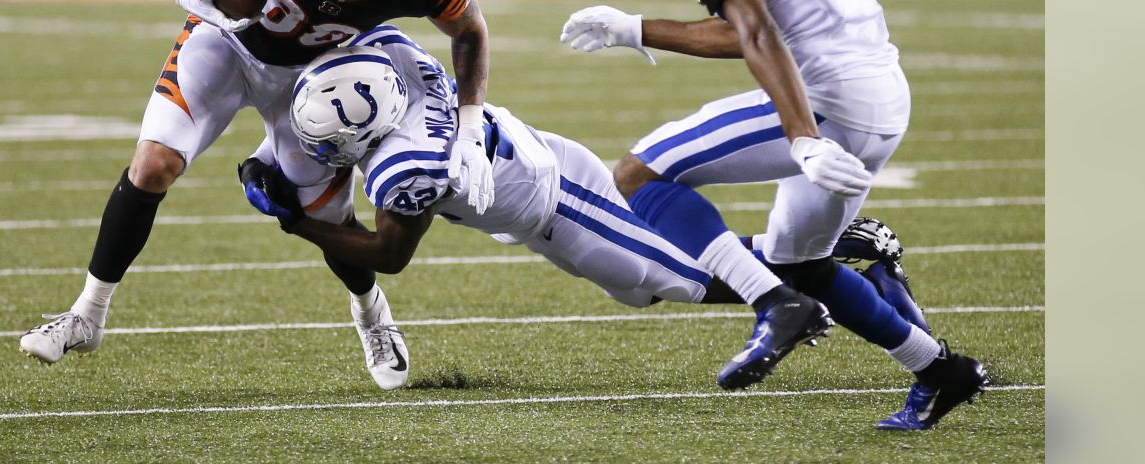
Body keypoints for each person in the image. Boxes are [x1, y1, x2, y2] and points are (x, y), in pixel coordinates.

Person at [559, 0, 986, 430]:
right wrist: (636, 27)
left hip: (830, 102)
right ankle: (941, 372)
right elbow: (764, 28)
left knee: (638, 172)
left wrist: (802, 138)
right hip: (880, 91)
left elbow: (756, 29)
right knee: (802, 258)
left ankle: (772, 303)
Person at [19, 0, 496, 392]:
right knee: (151, 165)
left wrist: (467, 129)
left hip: (313, 76)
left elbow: (470, 33)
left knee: (330, 216)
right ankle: (87, 315)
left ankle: (372, 315)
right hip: (230, 42)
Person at [238, 26, 833, 390]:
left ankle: (819, 280)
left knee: (673, 282)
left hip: (557, 204)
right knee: (639, 286)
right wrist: (266, 153)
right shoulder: (393, 57)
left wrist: (298, 222)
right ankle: (820, 261)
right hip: (541, 169)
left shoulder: (406, 168)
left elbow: (388, 256)